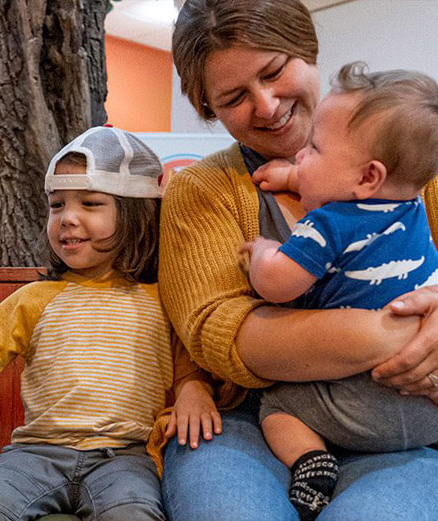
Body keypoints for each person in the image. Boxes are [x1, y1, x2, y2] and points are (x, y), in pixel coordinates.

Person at [157, 0, 438, 520]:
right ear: (209, 109)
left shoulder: (415, 163)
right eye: (235, 97)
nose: (265, 106)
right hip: (243, 420)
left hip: (400, 422)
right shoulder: (202, 191)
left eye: (273, 71)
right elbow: (226, 336)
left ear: (307, 52)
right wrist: (406, 328)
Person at [0, 125, 221, 521]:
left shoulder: (165, 298)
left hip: (126, 456)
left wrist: (195, 390)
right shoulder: (37, 298)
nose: (67, 218)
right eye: (57, 205)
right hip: (35, 453)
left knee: (134, 514)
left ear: (136, 213)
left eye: (90, 203)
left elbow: (187, 362)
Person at [240, 62, 438, 521]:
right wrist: (293, 178)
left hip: (358, 402)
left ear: (368, 177)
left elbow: (278, 284)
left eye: (313, 149)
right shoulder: (411, 209)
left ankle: (311, 460)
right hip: (425, 404)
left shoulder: (328, 225)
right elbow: (338, 180)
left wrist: (262, 253)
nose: (301, 158)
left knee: (278, 405)